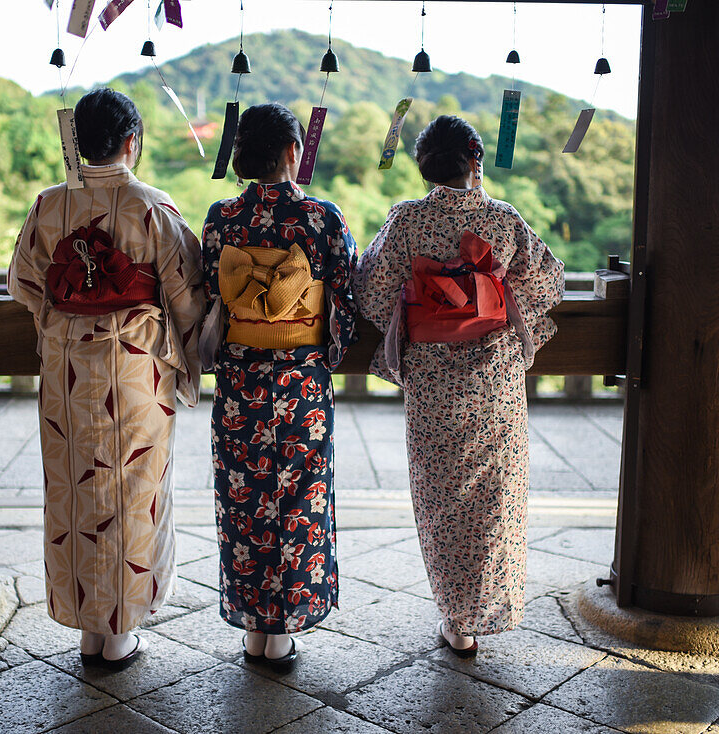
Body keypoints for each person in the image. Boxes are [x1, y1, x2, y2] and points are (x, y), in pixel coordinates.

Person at [352, 115, 564, 657]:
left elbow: (372, 297)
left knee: (441, 497)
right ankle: (484, 609)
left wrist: (426, 307)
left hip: (432, 383)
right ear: (476, 160)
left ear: (424, 167)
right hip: (493, 380)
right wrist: (493, 303)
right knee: (495, 497)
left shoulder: (404, 222)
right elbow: (548, 281)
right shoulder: (502, 218)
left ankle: (456, 618)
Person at [8, 88, 204, 668]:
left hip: (68, 372)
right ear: (130, 142)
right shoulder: (152, 206)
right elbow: (188, 299)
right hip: (135, 370)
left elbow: (23, 282)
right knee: (130, 490)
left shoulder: (49, 206)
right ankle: (117, 634)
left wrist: (65, 317)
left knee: (75, 492)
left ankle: (87, 628)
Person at [200, 103, 357, 670]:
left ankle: (252, 627)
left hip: (242, 378)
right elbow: (346, 299)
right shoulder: (321, 218)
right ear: (293, 151)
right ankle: (283, 629)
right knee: (298, 500)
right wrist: (324, 347)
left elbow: (206, 294)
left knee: (243, 501)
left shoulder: (220, 220)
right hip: (300, 383)